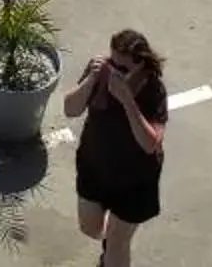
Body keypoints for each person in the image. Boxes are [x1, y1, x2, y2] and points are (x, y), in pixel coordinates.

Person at [64, 27, 170, 263]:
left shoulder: (153, 89)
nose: (114, 72)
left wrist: (127, 101)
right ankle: (109, 238)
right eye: (112, 63)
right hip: (95, 167)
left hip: (135, 180)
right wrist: (91, 80)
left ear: (140, 65)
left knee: (117, 243)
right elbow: (70, 109)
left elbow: (150, 143)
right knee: (89, 228)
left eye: (122, 68)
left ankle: (111, 248)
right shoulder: (99, 72)